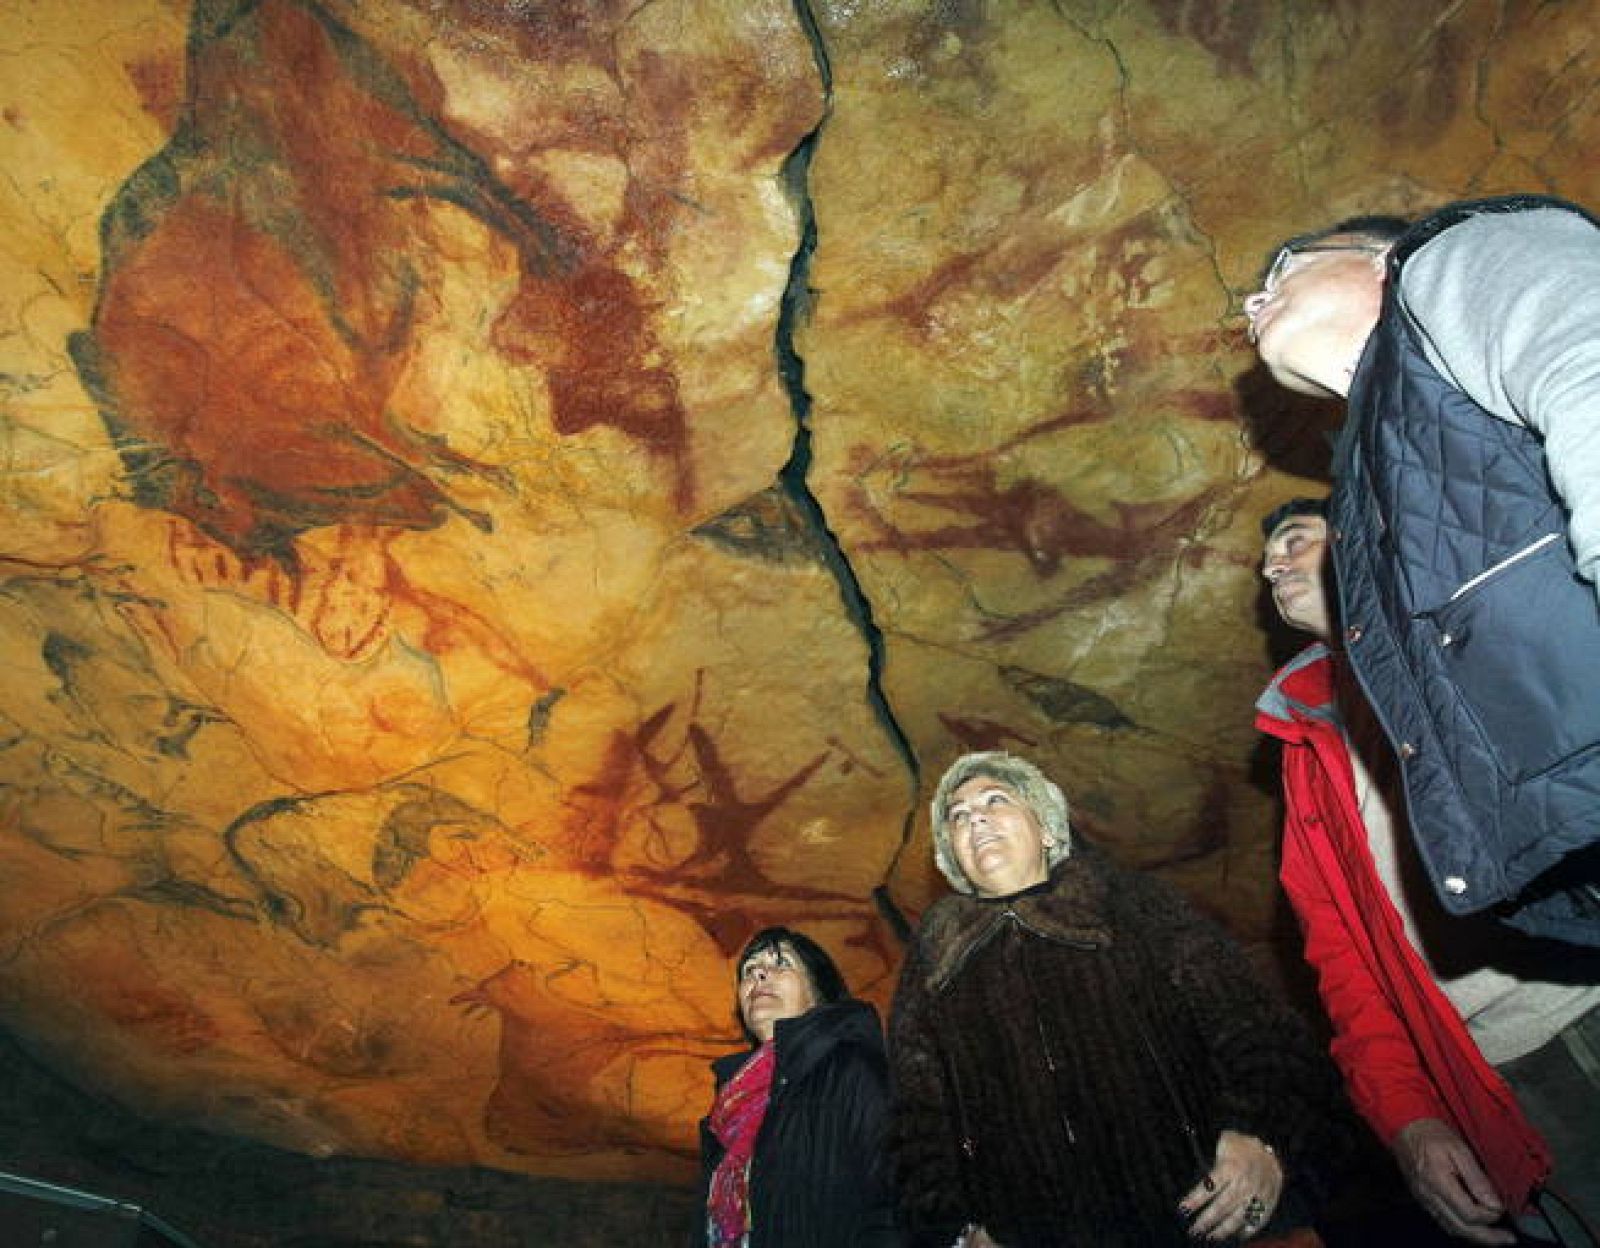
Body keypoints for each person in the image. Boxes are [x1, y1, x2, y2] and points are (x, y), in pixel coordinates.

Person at [1242, 195, 1600, 947]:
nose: (1252, 301)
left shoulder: (1448, 258)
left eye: (1283, 270)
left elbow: (1589, 369)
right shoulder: (1373, 480)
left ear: (1378, 258)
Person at [1257, 496, 1600, 1244]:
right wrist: (1407, 1116)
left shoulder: (1462, 630)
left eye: (1293, 540)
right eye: (1267, 562)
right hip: (1506, 1072)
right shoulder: (1304, 749)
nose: (1272, 567)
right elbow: (1343, 959)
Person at [889, 750, 1339, 1248]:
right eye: (957, 816)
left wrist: (1264, 1138)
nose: (975, 818)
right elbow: (916, 1114)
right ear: (953, 858)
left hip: (1194, 1219)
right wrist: (955, 1231)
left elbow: (1252, 1022)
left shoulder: (1130, 902)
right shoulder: (936, 959)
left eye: (996, 800)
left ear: (1047, 830)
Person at [698, 926, 901, 1247]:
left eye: (781, 964)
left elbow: (898, 1200)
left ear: (818, 994)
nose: (759, 975)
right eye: (749, 970)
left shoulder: (851, 1069)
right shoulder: (724, 1114)